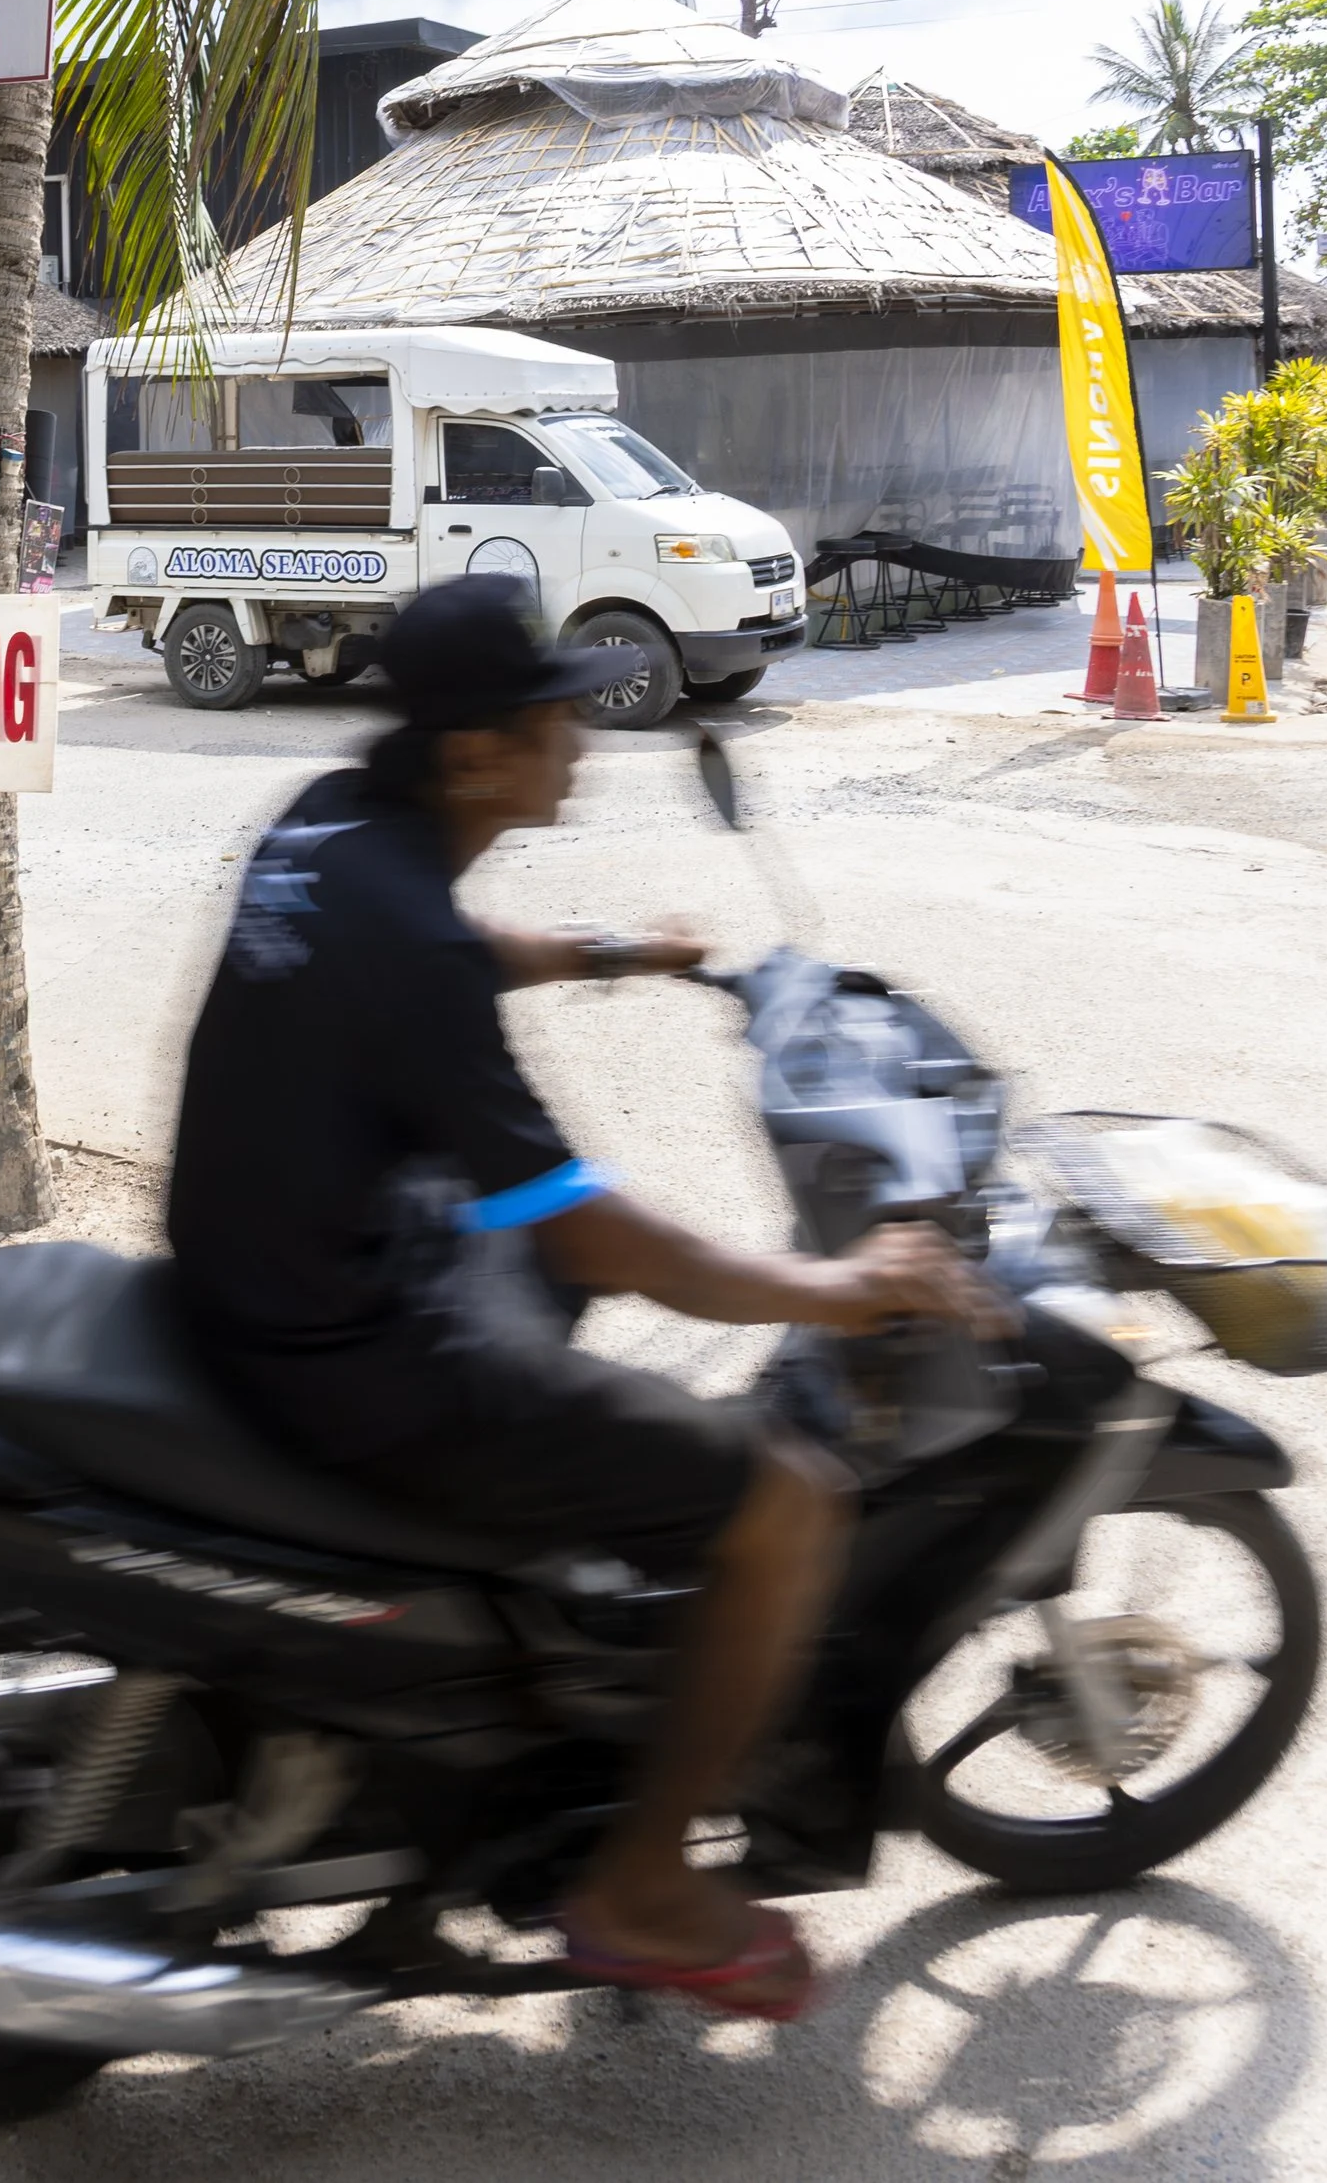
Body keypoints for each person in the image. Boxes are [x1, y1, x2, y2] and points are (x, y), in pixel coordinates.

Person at [166, 579, 1005, 2025]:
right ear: (477, 753)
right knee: (789, 1500)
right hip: (359, 1344)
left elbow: (436, 946)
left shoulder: (333, 821)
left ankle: (526, 1688)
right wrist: (843, 1282)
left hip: (271, 1267)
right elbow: (589, 1227)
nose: (579, 734)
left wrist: (608, 951)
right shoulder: (412, 950)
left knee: (565, 1299)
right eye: (550, 712)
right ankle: (642, 1882)